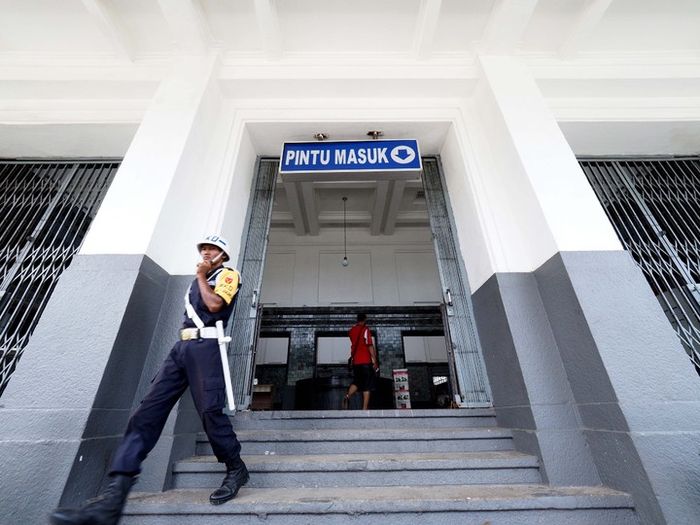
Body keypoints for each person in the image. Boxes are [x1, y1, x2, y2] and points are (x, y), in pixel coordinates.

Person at [50, 234, 249, 525]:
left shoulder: (228, 276)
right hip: (181, 349)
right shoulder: (201, 278)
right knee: (146, 413)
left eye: (214, 249)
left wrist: (200, 274)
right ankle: (113, 499)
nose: (207, 252)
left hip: (206, 348)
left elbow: (215, 305)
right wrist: (200, 277)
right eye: (204, 248)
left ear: (223, 255)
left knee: (209, 412)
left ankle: (235, 468)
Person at [342, 313, 379, 410]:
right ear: (365, 319)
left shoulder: (351, 331)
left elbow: (354, 341)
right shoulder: (365, 329)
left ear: (357, 319)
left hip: (356, 362)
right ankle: (364, 409)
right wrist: (375, 360)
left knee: (357, 382)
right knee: (367, 385)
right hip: (365, 362)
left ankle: (347, 396)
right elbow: (370, 345)